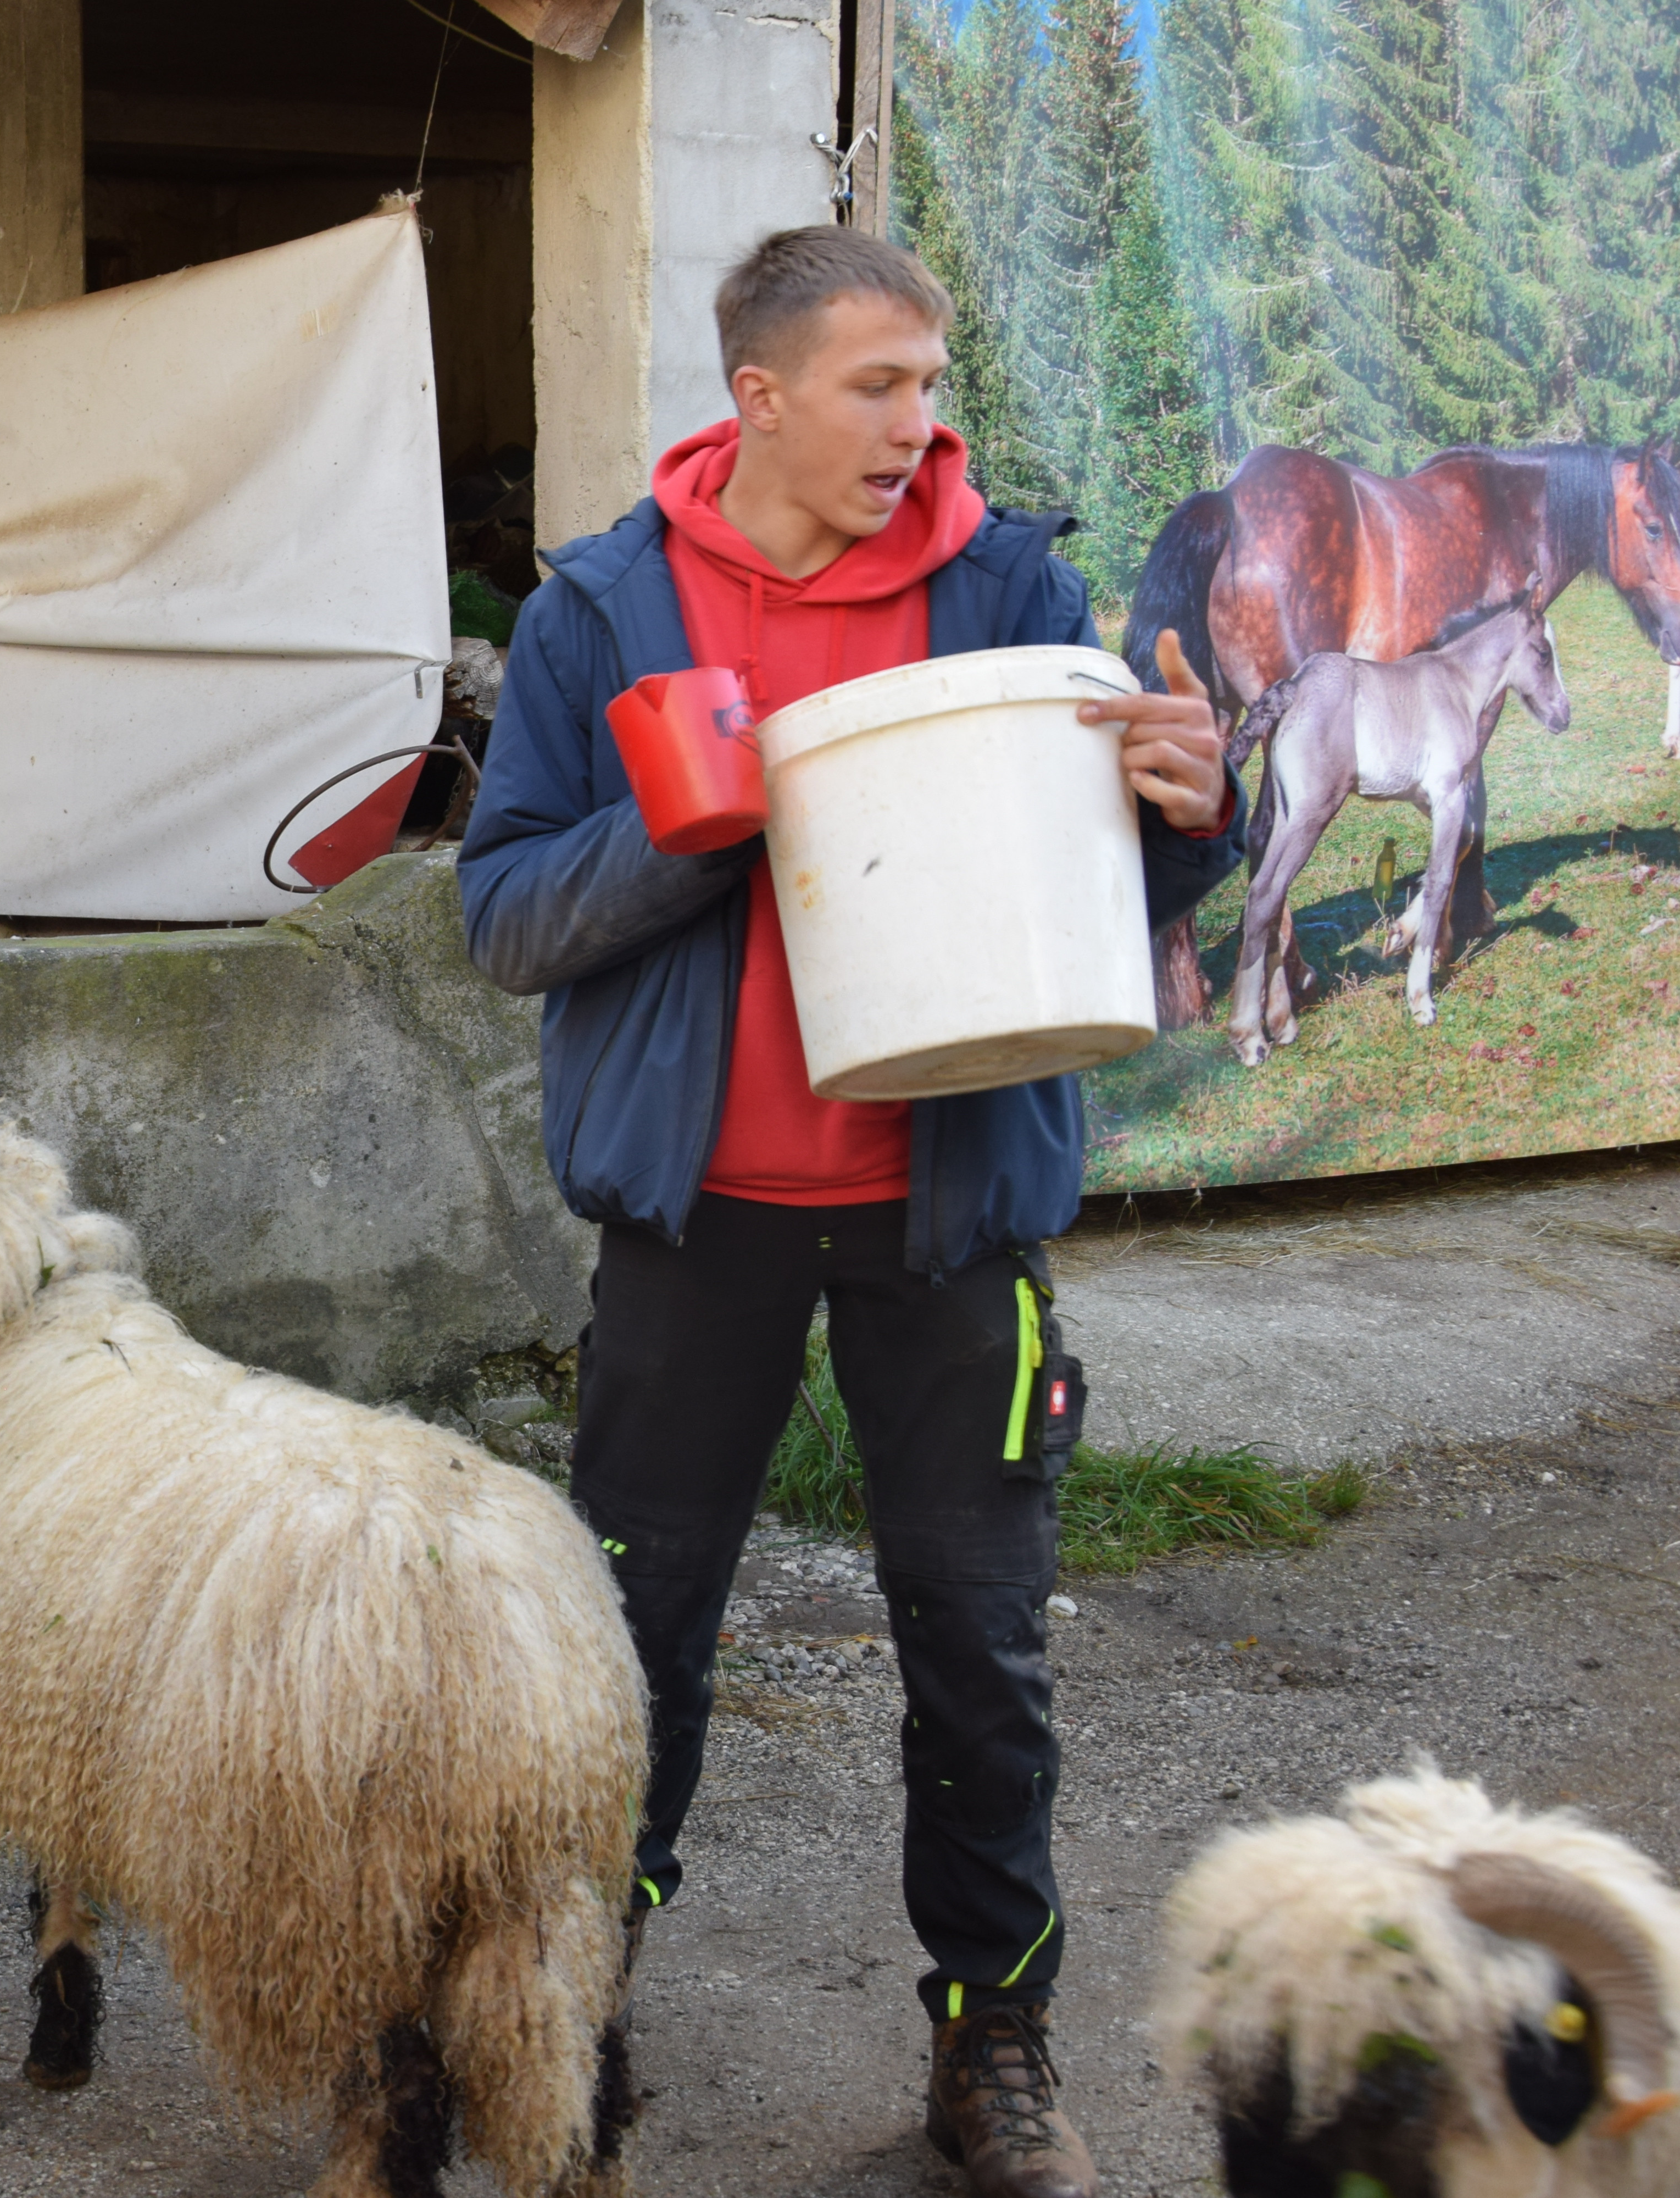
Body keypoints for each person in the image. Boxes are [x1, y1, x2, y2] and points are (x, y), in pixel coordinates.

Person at [457, 228, 1239, 2198]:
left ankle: (1000, 2050)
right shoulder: (608, 609)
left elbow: (1101, 918)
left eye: (934, 379)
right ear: (764, 398)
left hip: (950, 1212)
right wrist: (679, 832)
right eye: (880, 384)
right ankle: (571, 2020)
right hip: (697, 1217)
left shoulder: (1009, 587)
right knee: (634, 1642)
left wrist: (1185, 823)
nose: (922, 420)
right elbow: (504, 916)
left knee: (979, 1641)